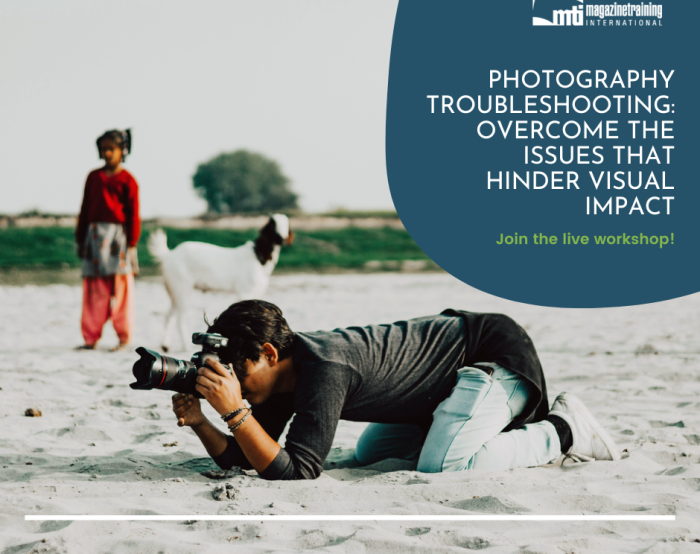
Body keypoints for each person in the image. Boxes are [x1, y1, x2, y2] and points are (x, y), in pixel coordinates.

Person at [172, 300, 620, 480]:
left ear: (269, 353)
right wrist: (199, 422)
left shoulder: (323, 369)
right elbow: (250, 454)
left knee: (444, 465)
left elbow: (299, 472)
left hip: (490, 355)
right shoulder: (280, 380)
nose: (234, 383)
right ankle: (462, 425)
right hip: (440, 388)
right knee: (370, 454)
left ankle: (563, 429)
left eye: (237, 372)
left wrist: (234, 413)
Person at [75, 129, 140, 351]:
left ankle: (124, 337)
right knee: (94, 290)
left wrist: (132, 243)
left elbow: (134, 214)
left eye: (110, 149)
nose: (106, 154)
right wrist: (80, 239)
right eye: (103, 150)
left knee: (122, 290)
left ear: (122, 151)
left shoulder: (128, 180)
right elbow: (84, 209)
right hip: (93, 238)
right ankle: (90, 338)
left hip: (119, 239)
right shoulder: (93, 177)